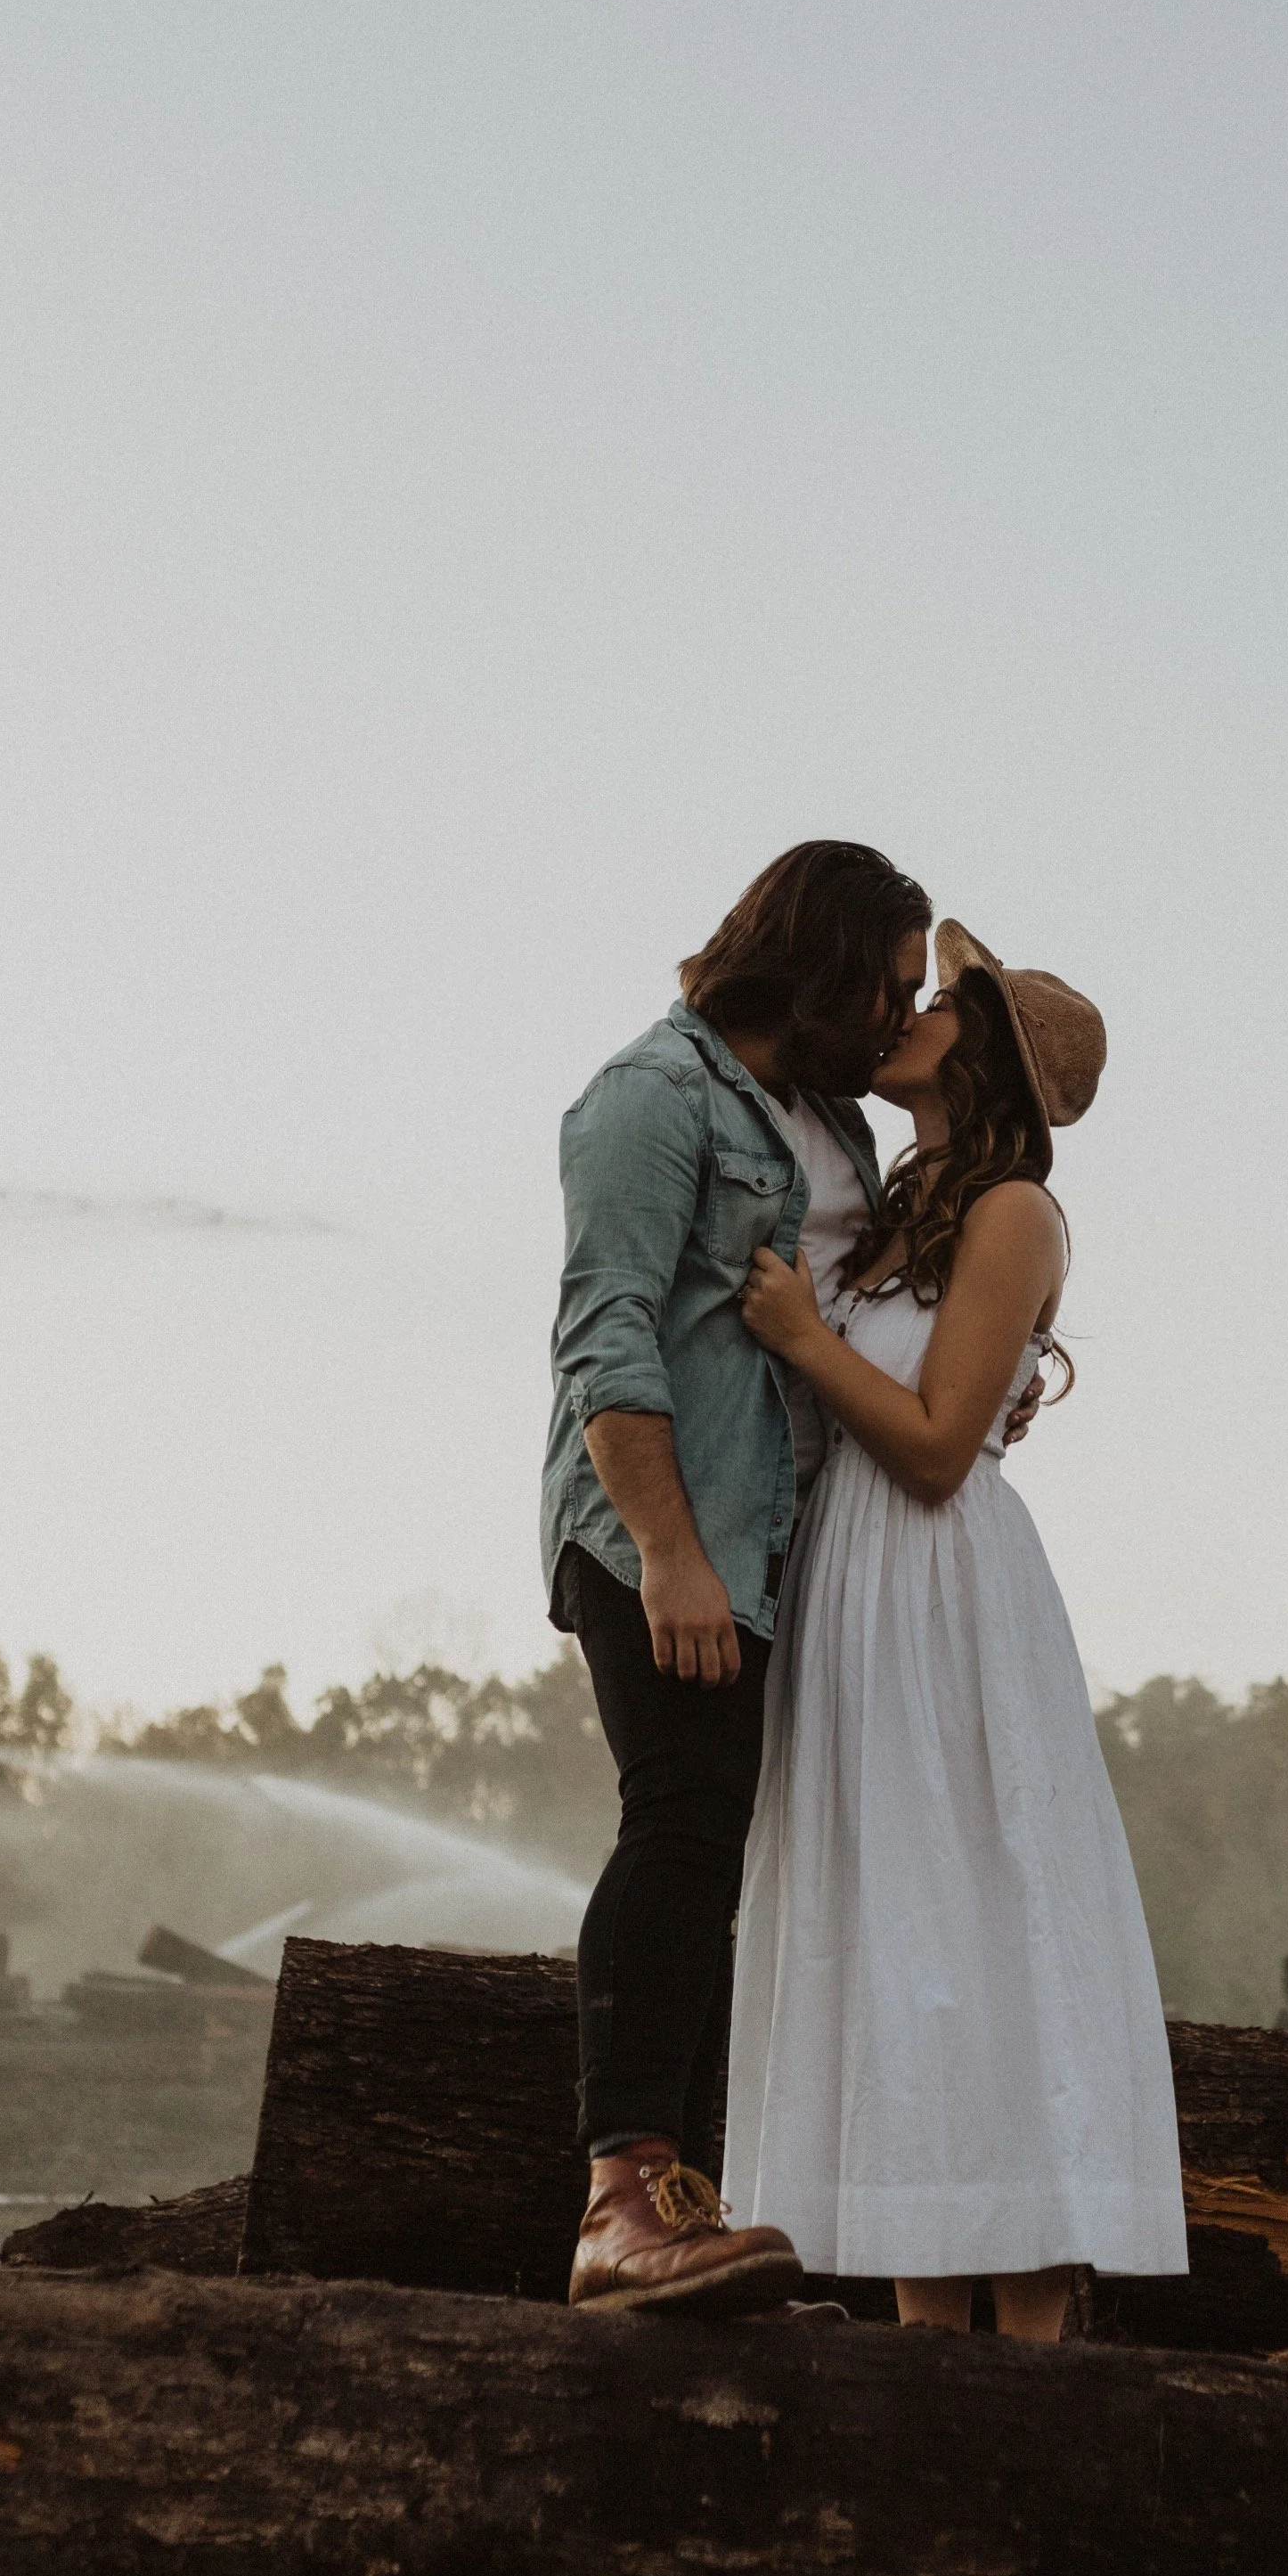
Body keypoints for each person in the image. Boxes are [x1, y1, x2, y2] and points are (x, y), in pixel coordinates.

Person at [725, 920, 1187, 2339]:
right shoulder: (895, 1203)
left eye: (939, 1005)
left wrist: (803, 1339)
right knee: (891, 1935)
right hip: (849, 1588)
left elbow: (934, 1446)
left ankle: (1035, 2348)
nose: (906, 1013)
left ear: (979, 1053)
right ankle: (926, 2352)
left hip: (940, 1584)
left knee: (979, 1924)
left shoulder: (1012, 1217)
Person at [542, 840, 941, 2315]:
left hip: (784, 1543)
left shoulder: (830, 1117)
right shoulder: (650, 1099)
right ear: (824, 963)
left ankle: (695, 2213)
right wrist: (668, 1554)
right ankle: (618, 2205)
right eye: (890, 989)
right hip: (662, 1531)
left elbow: (847, 1305)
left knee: (734, 1862)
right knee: (684, 1821)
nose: (901, 1022)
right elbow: (606, 1340)